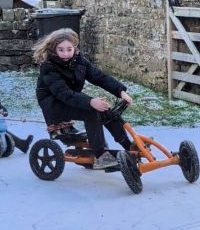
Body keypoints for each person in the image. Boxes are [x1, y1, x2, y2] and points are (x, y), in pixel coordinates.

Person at [34, 28, 133, 170]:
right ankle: (100, 156)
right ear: (53, 49)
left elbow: (99, 77)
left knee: (107, 111)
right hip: (54, 104)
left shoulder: (79, 61)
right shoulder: (49, 67)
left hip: (72, 98)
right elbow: (64, 93)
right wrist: (90, 102)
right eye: (61, 50)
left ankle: (128, 145)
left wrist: (120, 91)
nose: (66, 54)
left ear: (75, 48)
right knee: (92, 112)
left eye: (69, 49)